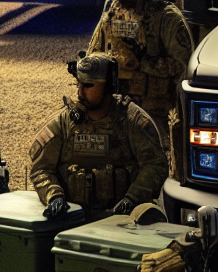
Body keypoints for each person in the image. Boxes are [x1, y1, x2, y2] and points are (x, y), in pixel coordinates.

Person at [29, 54, 168, 222]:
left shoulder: (131, 120)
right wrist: (54, 196)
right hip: (75, 218)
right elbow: (41, 167)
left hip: (121, 220)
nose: (80, 92)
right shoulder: (65, 121)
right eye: (78, 84)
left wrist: (132, 198)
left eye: (88, 85)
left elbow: (155, 164)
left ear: (108, 86)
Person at [87, 0, 193, 151]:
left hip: (154, 112)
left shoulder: (167, 18)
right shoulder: (112, 13)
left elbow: (182, 65)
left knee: (156, 161)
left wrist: (142, 63)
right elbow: (93, 52)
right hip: (117, 107)